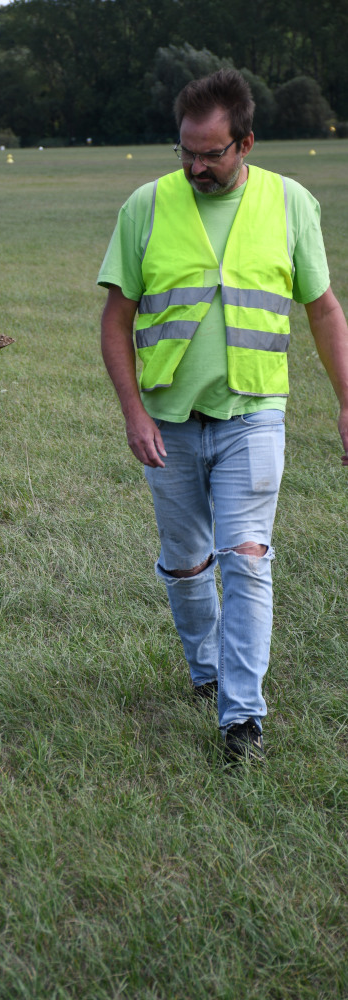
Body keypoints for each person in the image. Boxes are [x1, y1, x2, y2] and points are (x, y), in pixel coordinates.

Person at [98, 69, 348, 763]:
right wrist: (133, 413)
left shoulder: (289, 202)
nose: (194, 166)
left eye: (210, 153)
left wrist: (346, 402)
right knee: (186, 566)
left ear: (245, 143)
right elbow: (114, 320)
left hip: (252, 414)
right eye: (186, 151)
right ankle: (205, 672)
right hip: (169, 420)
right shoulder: (145, 207)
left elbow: (321, 308)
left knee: (245, 557)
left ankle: (242, 719)